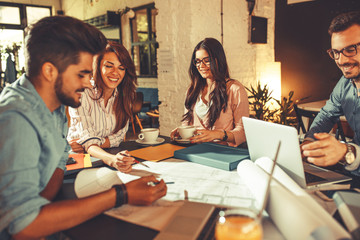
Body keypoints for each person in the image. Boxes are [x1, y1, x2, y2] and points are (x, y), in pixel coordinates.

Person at [0, 16, 167, 240]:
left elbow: (55, 172)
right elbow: (23, 227)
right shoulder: (15, 118)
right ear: (50, 71)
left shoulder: (56, 104)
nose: (90, 83)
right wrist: (121, 194)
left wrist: (50, 216)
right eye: (82, 74)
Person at [301, 11, 360, 176]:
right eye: (336, 52)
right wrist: (308, 142)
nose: (341, 60)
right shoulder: (344, 83)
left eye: (350, 49)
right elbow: (326, 116)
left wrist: (345, 152)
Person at [67, 41, 137, 173]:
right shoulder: (81, 92)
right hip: (77, 160)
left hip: (105, 156)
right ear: (97, 67)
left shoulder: (125, 96)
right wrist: (111, 159)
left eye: (121, 68)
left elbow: (119, 137)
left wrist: (90, 143)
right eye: (109, 66)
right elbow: (89, 140)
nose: (115, 73)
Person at [170, 38, 249, 147]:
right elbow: (186, 123)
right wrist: (182, 130)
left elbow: (243, 132)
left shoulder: (235, 89)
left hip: (222, 152)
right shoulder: (192, 90)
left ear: (218, 60)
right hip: (194, 150)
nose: (201, 66)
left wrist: (218, 134)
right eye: (197, 61)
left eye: (206, 60)